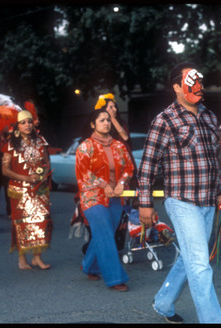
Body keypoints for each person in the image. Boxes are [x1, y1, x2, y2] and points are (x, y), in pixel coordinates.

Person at [138, 62, 221, 323]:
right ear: (177, 87)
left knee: (191, 257)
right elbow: (148, 166)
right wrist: (145, 204)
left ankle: (164, 302)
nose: (198, 86)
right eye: (191, 81)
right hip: (181, 201)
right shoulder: (164, 120)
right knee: (200, 264)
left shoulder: (210, 117)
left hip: (208, 202)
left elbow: (216, 159)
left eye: (199, 80)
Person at [75, 109, 134, 291]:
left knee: (104, 232)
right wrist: (104, 185)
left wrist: (122, 183)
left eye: (108, 120)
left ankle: (89, 266)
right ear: (93, 124)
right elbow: (84, 173)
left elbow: (129, 168)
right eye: (102, 120)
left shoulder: (119, 146)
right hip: (93, 197)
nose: (106, 123)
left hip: (116, 197)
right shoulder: (85, 147)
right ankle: (115, 278)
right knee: (106, 234)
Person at [2, 110, 52, 270]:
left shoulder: (41, 141)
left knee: (41, 221)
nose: (27, 125)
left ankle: (37, 257)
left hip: (39, 189)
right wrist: (25, 179)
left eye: (29, 122)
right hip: (20, 191)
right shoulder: (10, 144)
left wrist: (44, 176)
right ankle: (22, 259)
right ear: (17, 126)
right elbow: (5, 170)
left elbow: (46, 162)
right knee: (22, 224)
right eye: (23, 122)